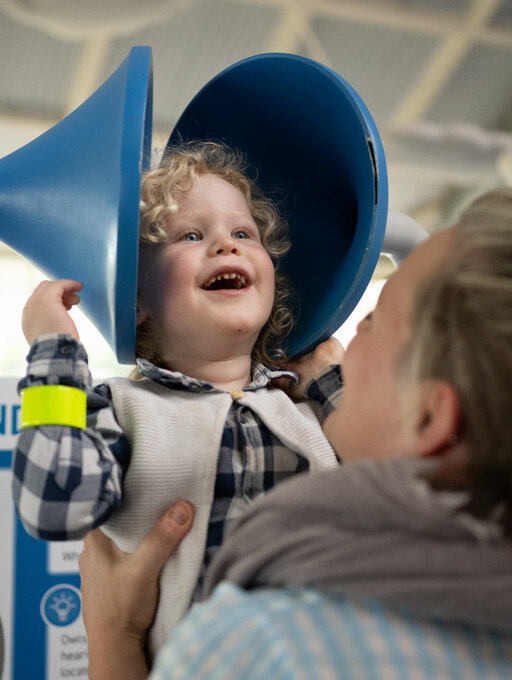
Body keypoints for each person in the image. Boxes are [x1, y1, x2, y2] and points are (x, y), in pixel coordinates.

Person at [80, 186, 512, 679]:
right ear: (138, 300)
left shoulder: (268, 646)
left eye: (372, 319)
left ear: (433, 420)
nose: (334, 347)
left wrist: (113, 641)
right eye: (193, 235)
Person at [11, 140, 341, 660]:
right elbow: (53, 504)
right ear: (137, 298)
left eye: (243, 233)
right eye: (191, 234)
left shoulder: (308, 409)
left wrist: (328, 379)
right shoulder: (119, 411)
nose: (225, 245)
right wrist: (56, 354)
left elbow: (408, 478)